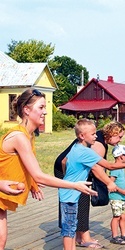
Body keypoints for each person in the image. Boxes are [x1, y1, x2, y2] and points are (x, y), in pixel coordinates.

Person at [0, 89, 96, 250]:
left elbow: (19, 164)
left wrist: (31, 184)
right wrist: (74, 185)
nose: (45, 112)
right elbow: (39, 175)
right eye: (41, 107)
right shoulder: (19, 137)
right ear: (26, 110)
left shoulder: (28, 135)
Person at [59, 119, 125, 250]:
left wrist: (66, 180)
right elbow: (102, 167)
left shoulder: (79, 146)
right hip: (72, 192)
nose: (95, 136)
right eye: (119, 137)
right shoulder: (92, 148)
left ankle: (78, 239)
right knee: (71, 224)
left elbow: (64, 160)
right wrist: (111, 180)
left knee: (69, 227)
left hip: (67, 189)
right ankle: (83, 238)